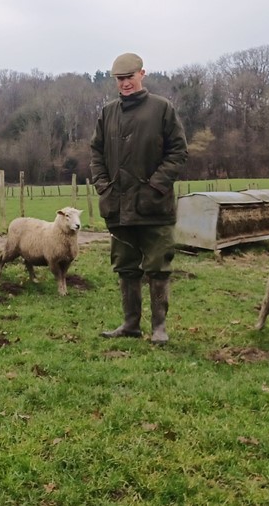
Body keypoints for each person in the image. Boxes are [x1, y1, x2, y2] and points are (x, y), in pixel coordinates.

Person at [89, 52, 188, 345]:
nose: (124, 84)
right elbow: (96, 153)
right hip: (118, 207)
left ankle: (159, 328)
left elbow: (178, 152)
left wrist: (155, 185)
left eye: (129, 78)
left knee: (158, 267)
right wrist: (103, 186)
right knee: (125, 266)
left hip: (154, 207)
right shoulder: (107, 113)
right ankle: (130, 324)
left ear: (142, 74)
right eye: (119, 80)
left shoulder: (162, 109)